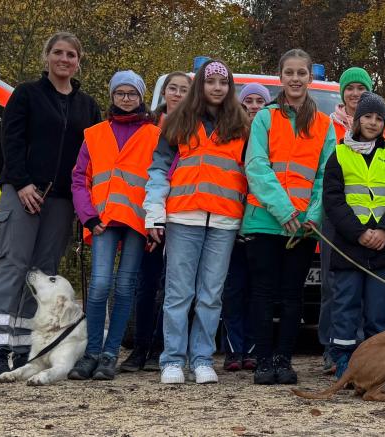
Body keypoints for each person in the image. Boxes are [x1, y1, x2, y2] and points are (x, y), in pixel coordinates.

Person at [0, 32, 101, 380]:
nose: (65, 60)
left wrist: (85, 205)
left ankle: (24, 349)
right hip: (23, 192)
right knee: (12, 267)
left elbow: (89, 159)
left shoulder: (87, 106)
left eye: (72, 55)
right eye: (58, 53)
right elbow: (11, 141)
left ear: (79, 61)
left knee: (42, 272)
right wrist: (21, 184)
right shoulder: (26, 95)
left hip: (62, 200)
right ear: (46, 56)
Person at [144, 59, 251, 384]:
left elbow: (250, 173)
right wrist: (154, 212)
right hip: (183, 217)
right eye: (210, 82)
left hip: (224, 221)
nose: (216, 88)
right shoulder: (178, 121)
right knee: (179, 293)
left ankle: (202, 358)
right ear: (200, 86)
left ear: (229, 88)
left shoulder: (241, 125)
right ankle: (173, 360)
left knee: (211, 294)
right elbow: (159, 169)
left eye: (222, 83)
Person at [244, 49, 336, 385]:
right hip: (264, 220)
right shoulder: (265, 118)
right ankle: (264, 360)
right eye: (289, 73)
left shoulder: (325, 125)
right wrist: (284, 211)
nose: (295, 79)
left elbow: (327, 174)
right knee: (263, 293)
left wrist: (311, 216)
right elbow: (256, 166)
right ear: (280, 77)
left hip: (304, 227)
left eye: (301, 73)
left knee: (292, 294)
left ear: (310, 78)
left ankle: (285, 360)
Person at [67, 70, 159, 380]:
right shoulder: (93, 134)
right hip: (102, 221)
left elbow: (161, 177)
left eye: (132, 93)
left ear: (141, 97)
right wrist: (88, 216)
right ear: (112, 96)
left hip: (136, 222)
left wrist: (154, 221)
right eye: (120, 93)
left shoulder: (154, 134)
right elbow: (80, 178)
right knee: (100, 286)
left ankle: (109, 355)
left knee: (124, 288)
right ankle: (92, 352)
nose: (126, 98)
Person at [322, 92, 385, 378]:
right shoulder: (339, 153)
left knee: (379, 310)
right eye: (368, 116)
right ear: (357, 120)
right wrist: (359, 233)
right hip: (350, 245)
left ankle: (378, 368)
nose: (373, 122)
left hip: (383, 248)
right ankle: (344, 362)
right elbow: (333, 200)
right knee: (345, 306)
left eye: (379, 118)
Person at [119, 71, 190, 373]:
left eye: (183, 89)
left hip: (184, 214)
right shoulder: (147, 128)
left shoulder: (195, 127)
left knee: (174, 286)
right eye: (172, 88)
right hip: (148, 216)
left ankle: (162, 348)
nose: (177, 94)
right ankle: (140, 347)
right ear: (163, 93)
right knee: (145, 284)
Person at [220, 82, 270, 372]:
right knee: (233, 291)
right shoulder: (231, 138)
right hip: (230, 225)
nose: (253, 106)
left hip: (260, 226)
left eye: (259, 101)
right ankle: (233, 350)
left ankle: (252, 348)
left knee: (257, 291)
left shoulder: (270, 139)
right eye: (248, 101)